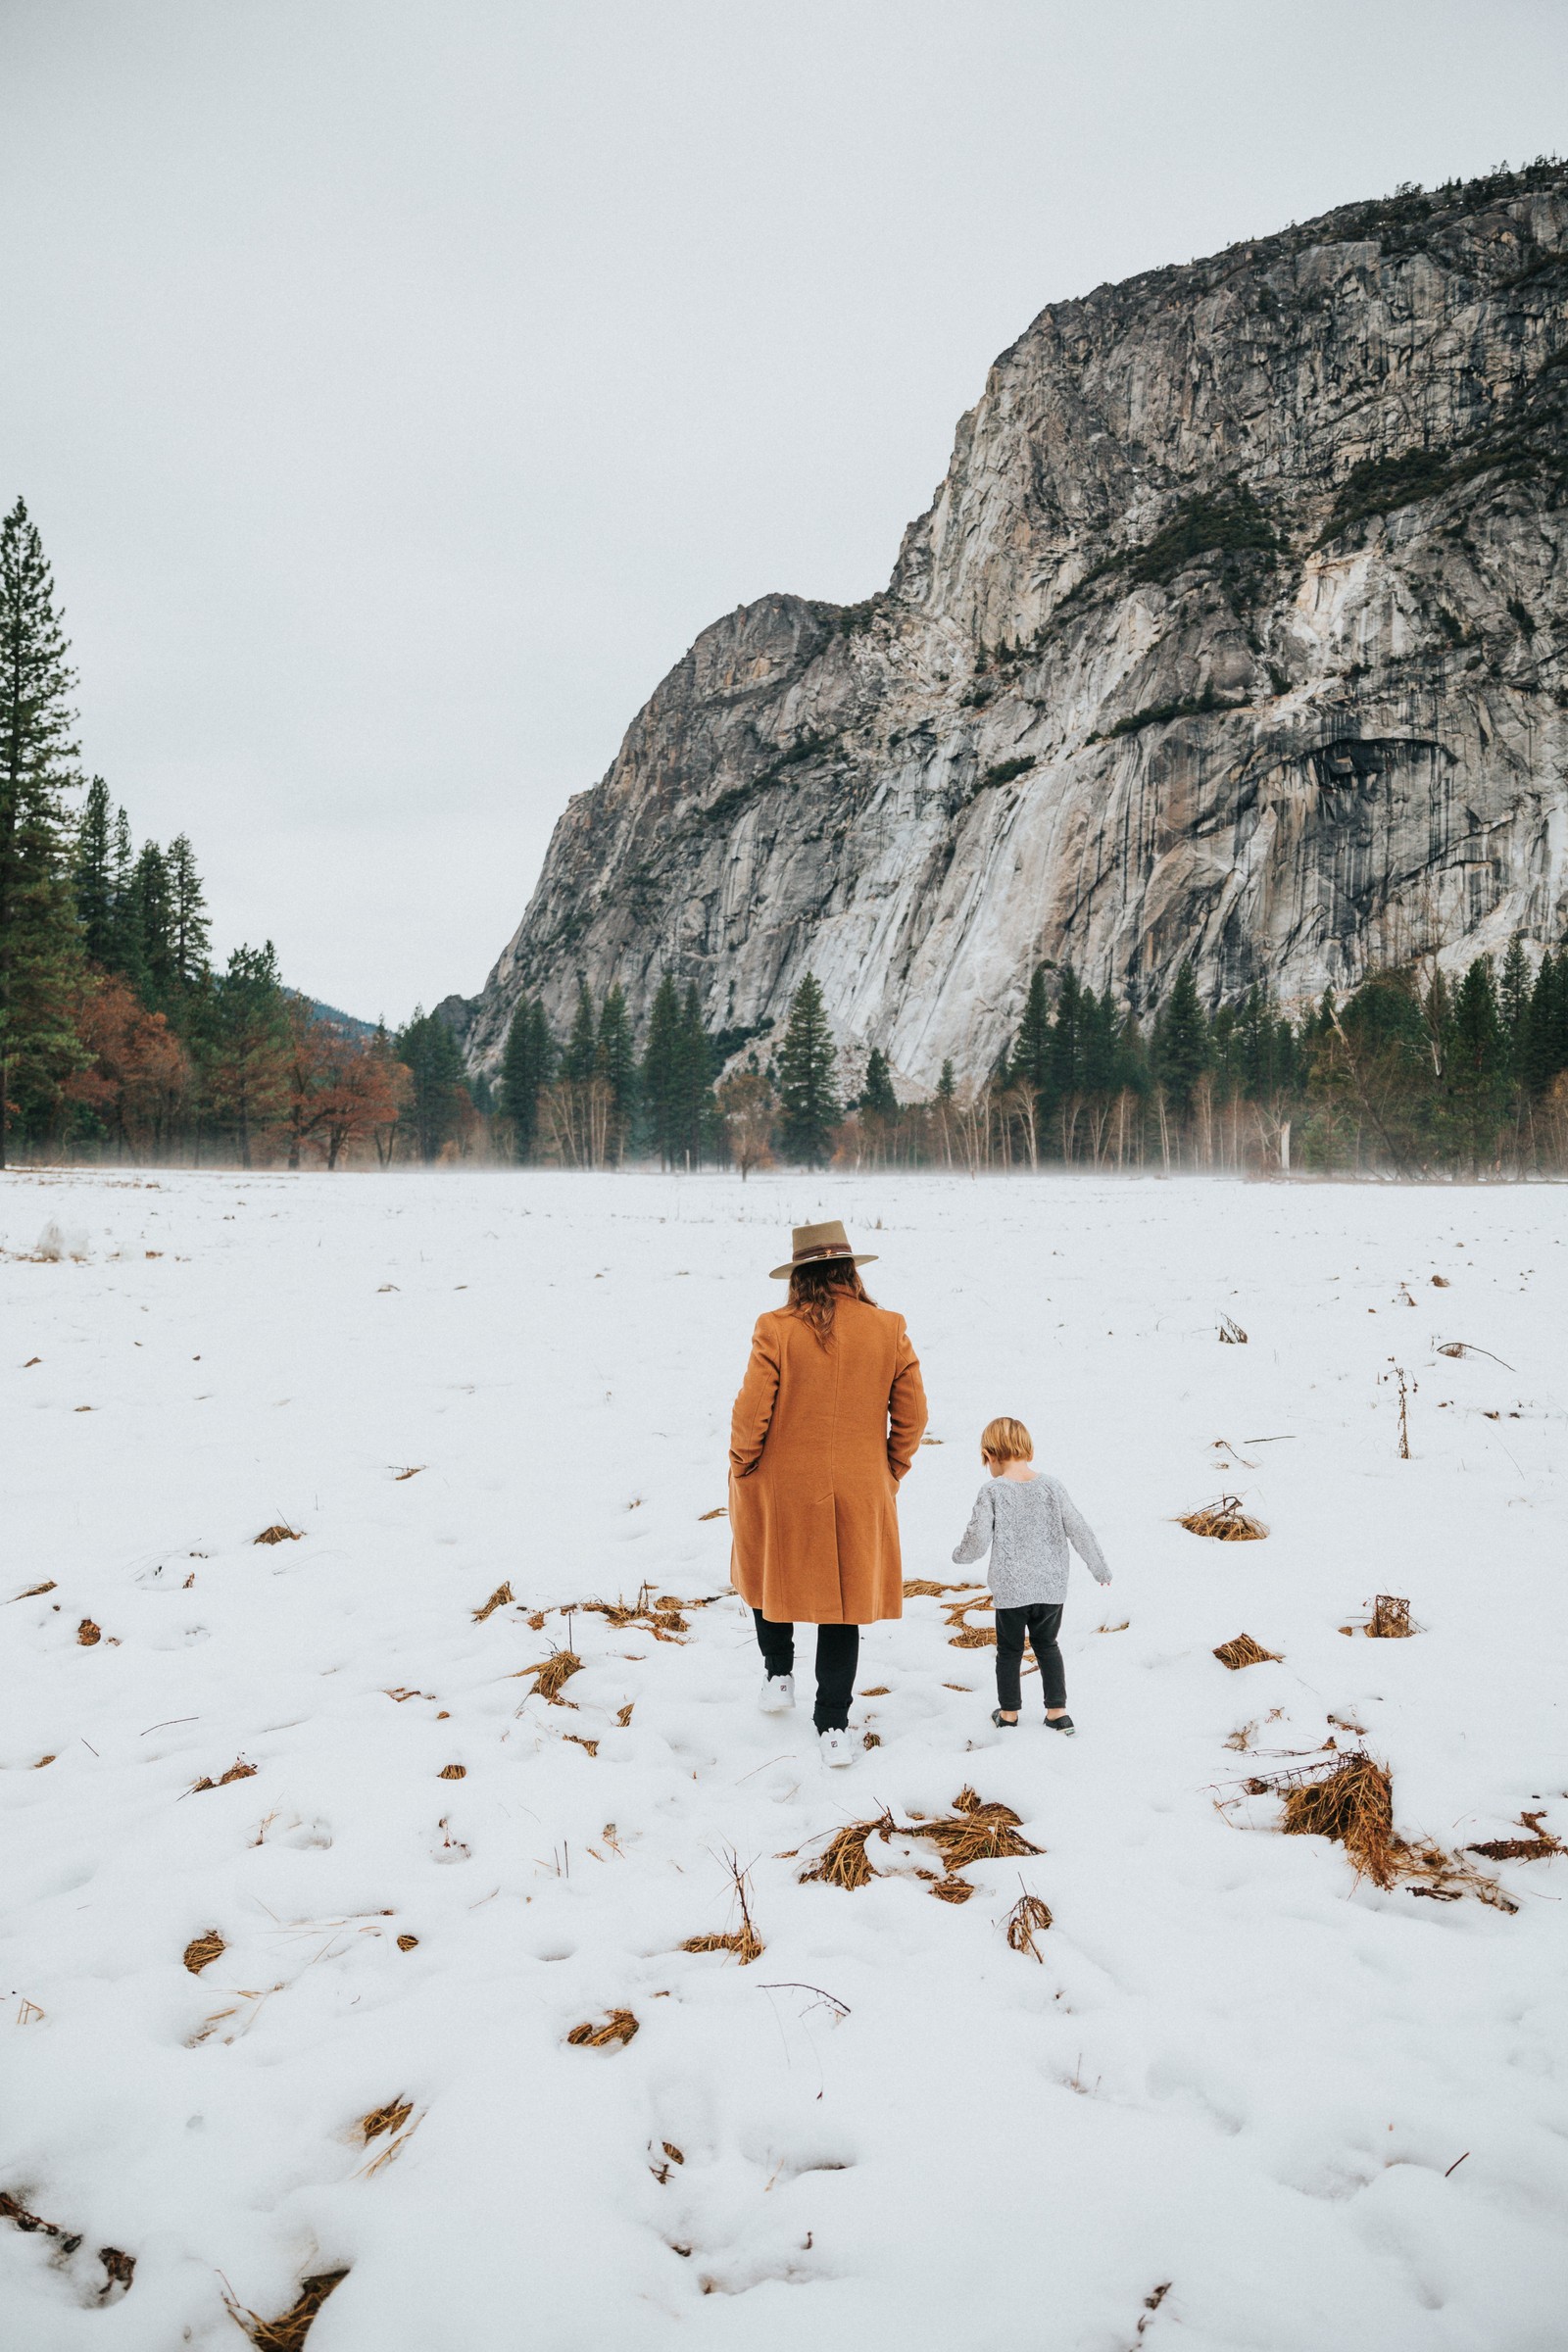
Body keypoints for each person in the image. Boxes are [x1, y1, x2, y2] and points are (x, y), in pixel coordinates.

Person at [729, 1219, 927, 1766]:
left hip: (780, 1481)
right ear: (849, 1271)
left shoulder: (775, 1328)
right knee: (842, 1603)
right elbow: (912, 1415)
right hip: (861, 1486)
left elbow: (751, 1413)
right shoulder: (888, 1328)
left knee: (770, 1568)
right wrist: (888, 1470)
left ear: (800, 1275)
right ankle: (833, 1725)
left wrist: (744, 1467)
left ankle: (778, 1673)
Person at [952, 1414, 1109, 1735]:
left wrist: (961, 1555)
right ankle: (1058, 1712)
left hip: (1012, 1590)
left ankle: (1008, 1713)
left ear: (990, 1455)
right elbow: (1080, 1530)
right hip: (1051, 1588)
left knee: (1009, 1651)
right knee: (1047, 1645)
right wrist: (1099, 1567)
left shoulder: (993, 1490)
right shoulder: (1052, 1486)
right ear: (1027, 1450)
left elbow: (978, 1538)